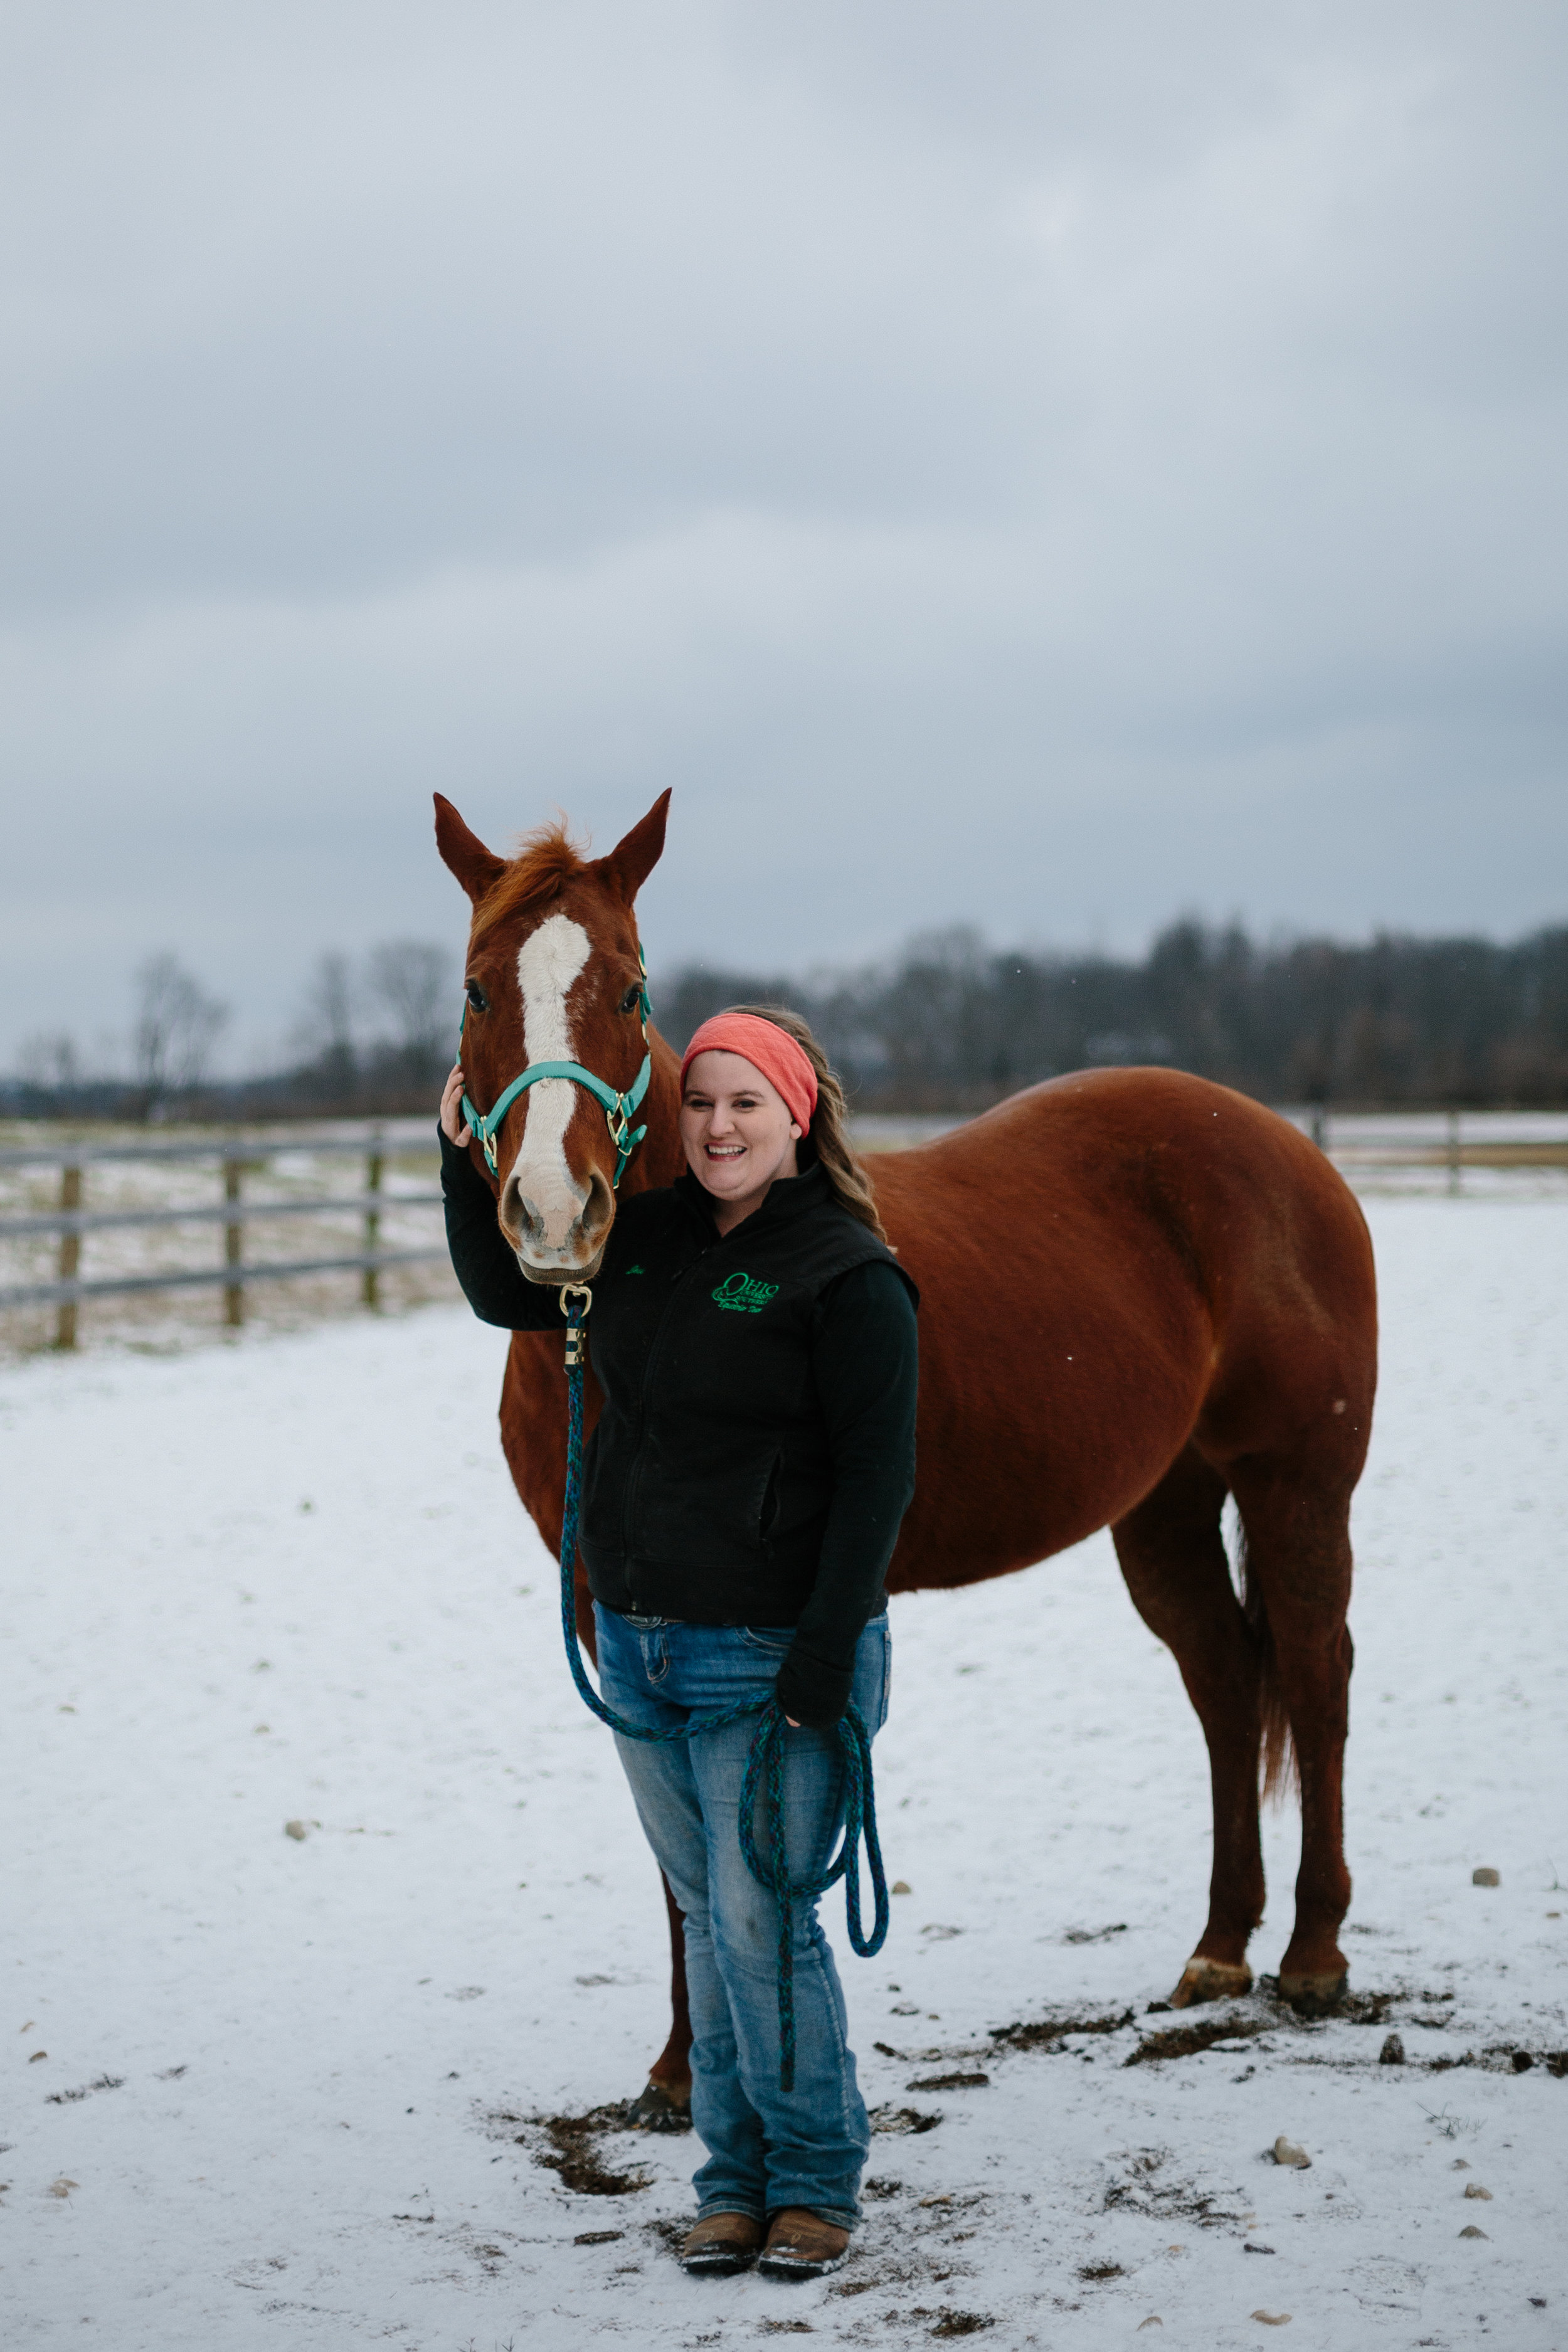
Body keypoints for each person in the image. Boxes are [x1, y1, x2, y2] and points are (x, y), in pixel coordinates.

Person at [438, 1005, 919, 2282]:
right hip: (645, 1647)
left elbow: (878, 1482)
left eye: (744, 1103)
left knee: (766, 1926)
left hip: (772, 1656)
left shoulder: (844, 1272)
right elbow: (502, 1289)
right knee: (710, 1922)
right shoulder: (642, 1243)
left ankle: (812, 2181)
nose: (717, 1125)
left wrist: (825, 1654)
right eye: (701, 1103)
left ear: (795, 1119)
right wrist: (455, 1156)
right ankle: (731, 2180)